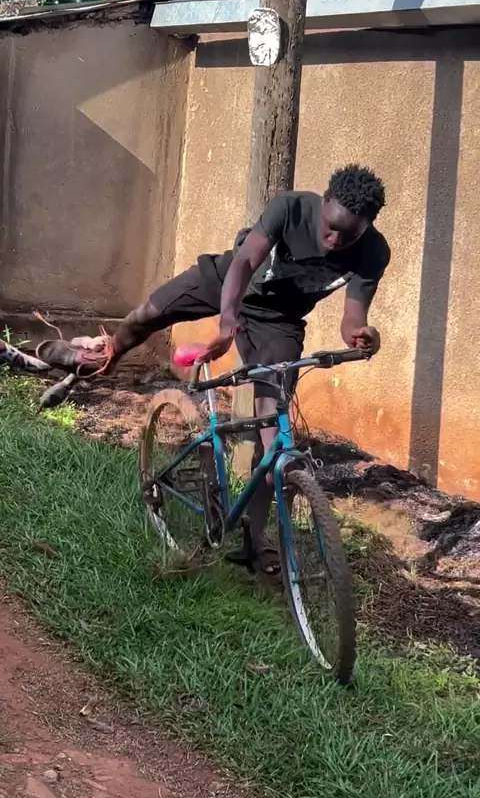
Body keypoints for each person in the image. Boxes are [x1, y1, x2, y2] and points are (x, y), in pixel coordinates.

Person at [37, 164, 390, 574]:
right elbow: (243, 263)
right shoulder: (291, 208)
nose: (334, 242)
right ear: (324, 203)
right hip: (225, 283)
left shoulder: (373, 253)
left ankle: (255, 544)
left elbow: (353, 318)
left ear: (366, 227)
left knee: (274, 438)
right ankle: (103, 357)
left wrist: (363, 334)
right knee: (148, 313)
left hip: (279, 321)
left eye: (348, 236)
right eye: (330, 229)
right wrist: (227, 323)